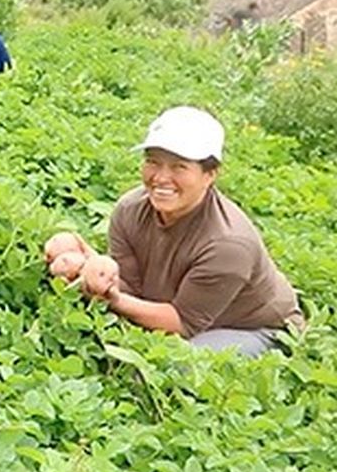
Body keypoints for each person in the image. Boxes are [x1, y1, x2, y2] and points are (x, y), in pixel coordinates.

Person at [67, 106, 304, 357]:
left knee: (172, 365)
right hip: (179, 307)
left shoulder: (229, 244)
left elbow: (182, 323)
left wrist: (112, 300)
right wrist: (90, 269)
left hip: (254, 327)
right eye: (152, 162)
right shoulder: (129, 210)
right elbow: (131, 286)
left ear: (209, 175)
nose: (160, 177)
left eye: (179, 167)